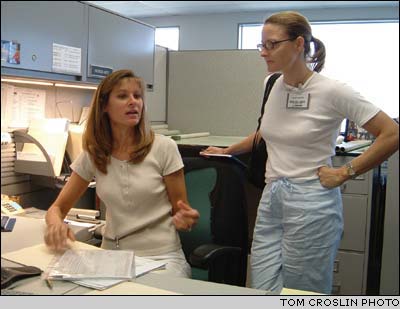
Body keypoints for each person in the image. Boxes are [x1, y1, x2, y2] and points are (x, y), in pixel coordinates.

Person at [201, 11, 399, 293]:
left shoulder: (333, 90)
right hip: (272, 198)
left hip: (311, 200)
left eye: (271, 45)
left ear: (298, 44)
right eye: (262, 45)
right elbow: (267, 130)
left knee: (302, 291)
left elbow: (391, 133)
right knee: (262, 286)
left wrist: (345, 172)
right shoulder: (271, 84)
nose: (263, 53)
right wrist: (230, 149)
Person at [45, 69, 199, 278]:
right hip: (113, 257)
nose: (133, 101)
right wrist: (56, 225)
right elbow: (57, 208)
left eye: (137, 96)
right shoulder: (95, 153)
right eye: (123, 96)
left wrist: (185, 219)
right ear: (105, 106)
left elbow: (182, 212)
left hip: (161, 258)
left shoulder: (164, 148)